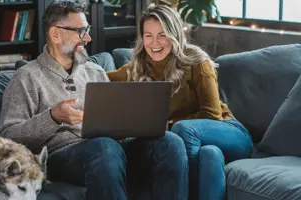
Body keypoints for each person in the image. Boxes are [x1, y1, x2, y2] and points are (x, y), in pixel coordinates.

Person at [0, 1, 188, 200]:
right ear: (55, 34)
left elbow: (114, 125)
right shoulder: (27, 76)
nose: (88, 38)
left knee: (170, 142)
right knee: (103, 147)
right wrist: (53, 117)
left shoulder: (94, 71)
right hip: (62, 157)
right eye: (81, 31)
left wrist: (135, 125)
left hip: (109, 151)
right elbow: (7, 136)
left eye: (87, 30)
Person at [107, 3, 253, 200]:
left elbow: (212, 113)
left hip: (228, 132)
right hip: (198, 142)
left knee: (183, 130)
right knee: (210, 155)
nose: (154, 42)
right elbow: (101, 79)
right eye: (148, 35)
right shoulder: (138, 67)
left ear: (174, 34)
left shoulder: (196, 61)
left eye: (162, 34)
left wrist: (170, 124)